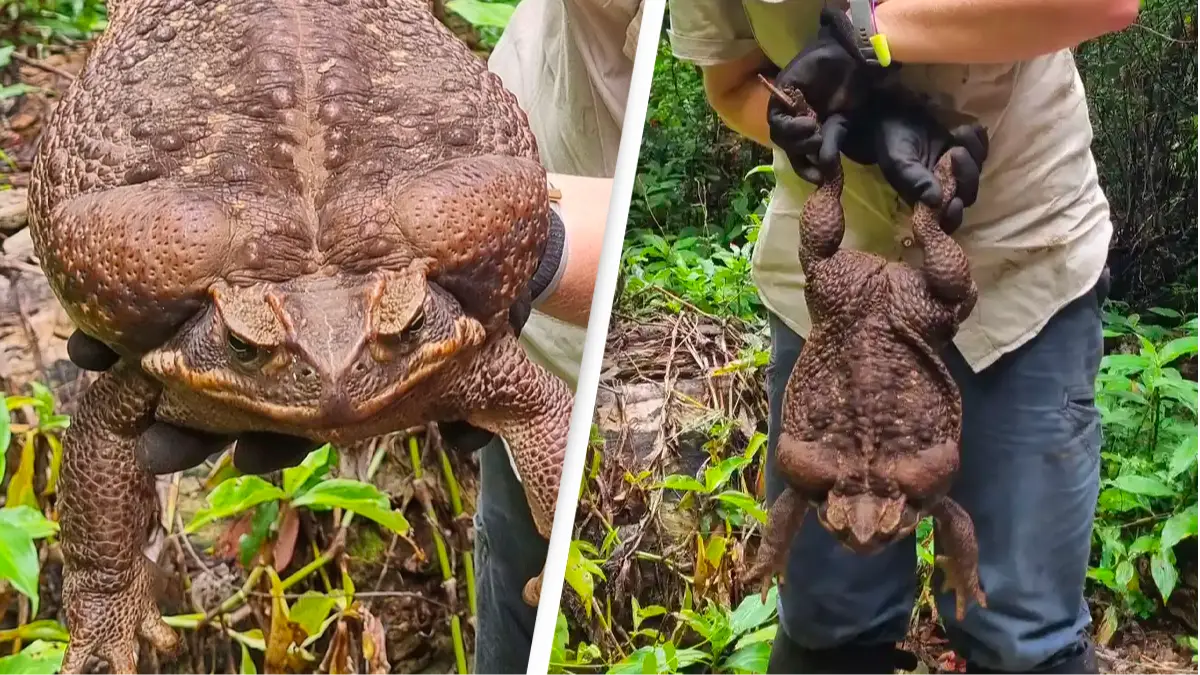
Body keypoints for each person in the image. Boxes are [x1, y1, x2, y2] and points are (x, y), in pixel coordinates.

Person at [65, 2, 642, 673]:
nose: (335, 375)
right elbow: (104, 426)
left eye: (393, 330)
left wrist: (528, 251)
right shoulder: (193, 330)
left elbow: (538, 405)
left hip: (466, 251)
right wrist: (104, 583)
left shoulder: (457, 338)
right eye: (254, 344)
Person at [665, 1, 1136, 674]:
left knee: (1021, 628)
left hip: (1020, 255)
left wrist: (867, 38)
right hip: (833, 286)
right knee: (826, 621)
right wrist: (822, 129)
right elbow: (734, 82)